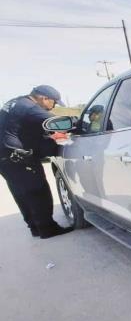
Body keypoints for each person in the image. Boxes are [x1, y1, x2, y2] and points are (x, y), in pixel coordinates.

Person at [0, 85, 74, 238]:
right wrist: (78, 122)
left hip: (5, 158)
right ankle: (47, 229)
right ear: (43, 98)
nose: (53, 106)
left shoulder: (15, 102)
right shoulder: (30, 107)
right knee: (38, 192)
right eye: (53, 102)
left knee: (21, 193)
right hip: (18, 158)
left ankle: (34, 227)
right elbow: (55, 122)